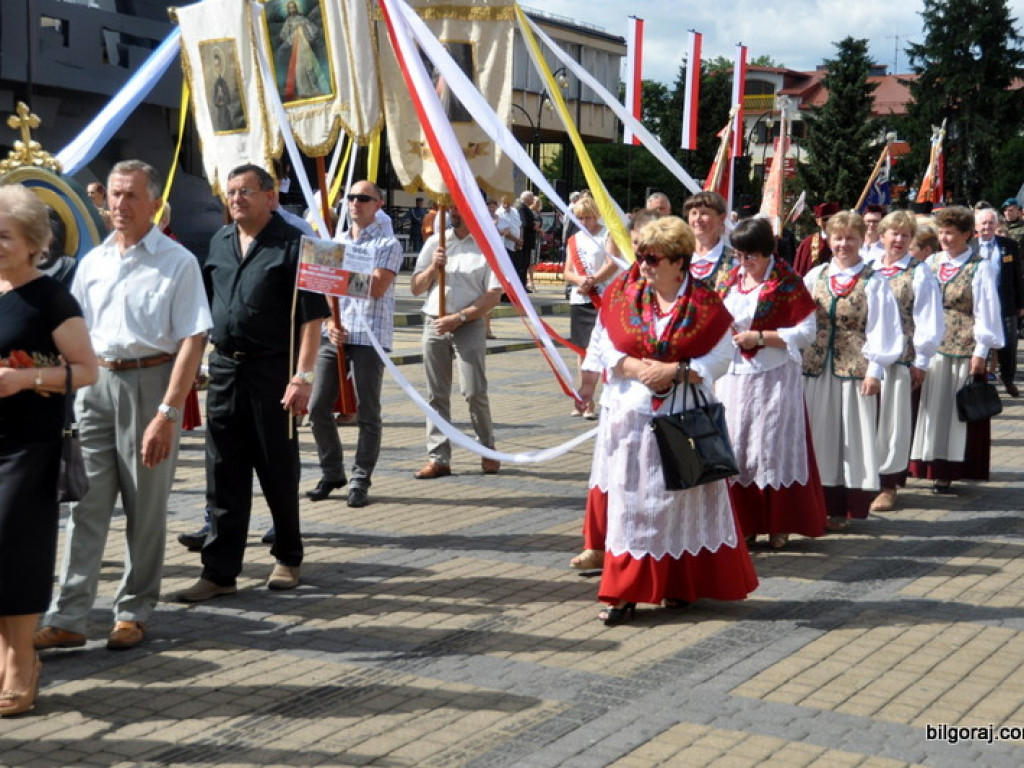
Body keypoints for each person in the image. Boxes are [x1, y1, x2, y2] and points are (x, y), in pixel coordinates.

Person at [35, 161, 211, 652]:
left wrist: (167, 413)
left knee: (145, 506)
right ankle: (69, 615)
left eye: (131, 195)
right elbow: (73, 331)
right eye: (114, 194)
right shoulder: (92, 262)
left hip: (151, 383)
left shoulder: (178, 262)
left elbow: (193, 341)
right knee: (85, 506)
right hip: (95, 386)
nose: (120, 205)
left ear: (154, 203)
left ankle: (133, 610)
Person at [575, 216, 758, 625]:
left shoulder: (704, 305)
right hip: (632, 419)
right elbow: (604, 345)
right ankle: (623, 593)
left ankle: (680, 585)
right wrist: (637, 368)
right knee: (633, 509)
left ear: (679, 262)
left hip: (682, 423)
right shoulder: (624, 295)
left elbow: (722, 356)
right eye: (641, 256)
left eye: (653, 258)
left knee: (678, 506)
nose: (644, 264)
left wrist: (676, 371)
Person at [177, 164, 329, 603]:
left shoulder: (298, 244)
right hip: (225, 370)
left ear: (270, 196)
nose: (236, 198)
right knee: (223, 471)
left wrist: (302, 377)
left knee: (276, 468)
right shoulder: (219, 242)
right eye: (230, 192)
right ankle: (219, 571)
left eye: (245, 191)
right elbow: (205, 309)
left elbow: (313, 318)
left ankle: (288, 555)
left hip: (273, 372)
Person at [0, 184, 97, 716]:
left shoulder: (51, 298)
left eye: (4, 235)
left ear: (33, 241)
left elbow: (87, 371)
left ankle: (21, 662)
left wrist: (25, 379)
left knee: (14, 551)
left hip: (28, 448)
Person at [715, 218, 827, 549]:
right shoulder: (730, 281)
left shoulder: (787, 283)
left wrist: (761, 337)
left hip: (774, 375)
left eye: (751, 256)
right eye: (739, 255)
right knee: (739, 447)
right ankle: (746, 522)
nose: (744, 262)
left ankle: (780, 522)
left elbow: (807, 332)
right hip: (735, 377)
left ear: (767, 252)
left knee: (772, 446)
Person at [802, 211, 903, 530]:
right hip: (816, 367)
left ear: (862, 240)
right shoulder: (815, 275)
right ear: (829, 240)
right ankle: (817, 503)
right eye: (838, 238)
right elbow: (799, 321)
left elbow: (883, 328)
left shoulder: (874, 281)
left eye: (850, 238)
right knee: (818, 435)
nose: (844, 244)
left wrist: (875, 369)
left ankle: (846, 506)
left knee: (852, 436)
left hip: (855, 368)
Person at [570, 208, 657, 572]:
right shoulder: (621, 285)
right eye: (636, 244)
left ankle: (645, 552)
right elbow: (601, 337)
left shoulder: (677, 286)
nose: (643, 254)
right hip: (619, 398)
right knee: (607, 473)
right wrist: (588, 383)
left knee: (648, 481)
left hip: (660, 401)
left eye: (650, 246)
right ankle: (598, 542)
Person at [306, 181, 403, 507]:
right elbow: (321, 289)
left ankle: (360, 480)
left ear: (378, 204)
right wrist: (331, 321)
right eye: (351, 197)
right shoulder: (334, 242)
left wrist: (333, 276)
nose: (355, 203)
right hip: (337, 333)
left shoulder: (388, 243)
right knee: (318, 406)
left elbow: (376, 287)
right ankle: (332, 471)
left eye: (363, 198)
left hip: (369, 335)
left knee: (367, 411)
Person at [909, 206, 1005, 494]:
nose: (945, 238)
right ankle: (930, 463)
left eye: (951, 233)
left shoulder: (980, 266)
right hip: (932, 346)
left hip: (962, 347)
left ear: (967, 235)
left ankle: (948, 468)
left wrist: (982, 350)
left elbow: (987, 311)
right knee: (931, 408)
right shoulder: (931, 262)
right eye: (942, 232)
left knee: (954, 410)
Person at [410, 205, 503, 479]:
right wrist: (432, 268)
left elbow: (493, 295)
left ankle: (488, 449)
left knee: (474, 391)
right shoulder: (435, 241)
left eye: (460, 207)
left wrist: (460, 317)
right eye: (451, 207)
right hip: (434, 321)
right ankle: (439, 457)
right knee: (436, 394)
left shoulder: (488, 246)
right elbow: (415, 287)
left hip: (468, 323)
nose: (453, 212)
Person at [868, 211, 944, 512]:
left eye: (905, 235)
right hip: (865, 358)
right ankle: (865, 479)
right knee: (866, 421)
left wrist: (922, 360)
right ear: (882, 235)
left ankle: (888, 484)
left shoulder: (918, 272)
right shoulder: (869, 266)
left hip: (900, 358)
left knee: (893, 423)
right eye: (893, 233)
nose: (898, 240)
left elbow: (928, 318)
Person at [563, 195, 618, 420]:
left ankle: (608, 397)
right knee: (582, 350)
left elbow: (613, 263)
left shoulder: (607, 234)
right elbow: (566, 270)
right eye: (581, 218)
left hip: (603, 297)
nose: (585, 222)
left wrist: (592, 280)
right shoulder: (574, 239)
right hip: (581, 299)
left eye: (588, 217)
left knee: (606, 349)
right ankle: (586, 400)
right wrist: (579, 281)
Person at [973, 206, 1023, 398]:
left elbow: (1017, 275)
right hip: (978, 305)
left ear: (996, 225)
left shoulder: (1008, 245)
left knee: (1009, 344)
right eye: (983, 223)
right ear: (977, 226)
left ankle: (1008, 379)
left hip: (1005, 302)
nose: (987, 226)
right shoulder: (970, 245)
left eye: (990, 223)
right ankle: (979, 380)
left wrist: (1020, 303)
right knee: (979, 343)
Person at [684, 191, 736, 290]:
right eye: (694, 213)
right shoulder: (678, 257)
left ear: (721, 218)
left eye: (704, 213)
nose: (698, 219)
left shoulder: (734, 260)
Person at [793, 202, 840, 276]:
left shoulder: (845, 242)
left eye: (833, 218)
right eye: (825, 219)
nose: (830, 222)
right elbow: (799, 273)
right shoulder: (808, 243)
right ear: (817, 221)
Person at [515, 191, 538, 291]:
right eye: (532, 198)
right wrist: (534, 225)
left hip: (527, 242)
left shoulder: (525, 208)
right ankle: (521, 285)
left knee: (525, 264)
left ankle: (523, 284)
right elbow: (524, 223)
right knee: (523, 265)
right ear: (527, 198)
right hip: (525, 241)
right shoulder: (521, 208)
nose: (533, 200)